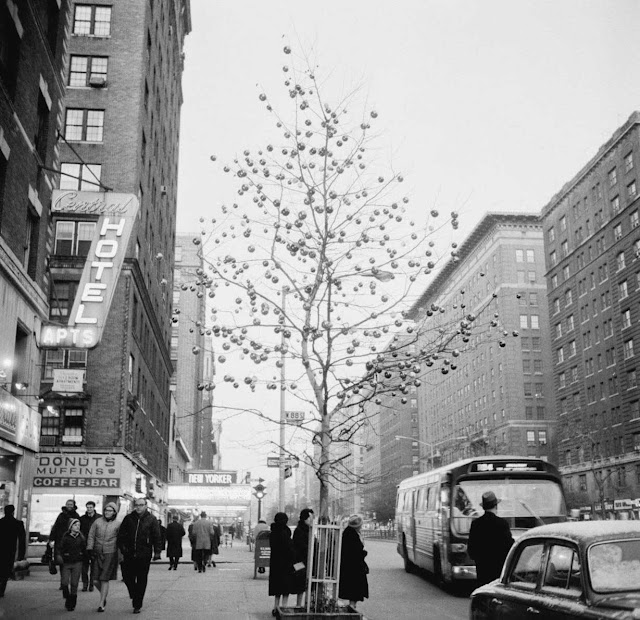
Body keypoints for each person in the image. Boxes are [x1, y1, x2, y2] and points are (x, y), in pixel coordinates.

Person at [117, 498, 162, 614]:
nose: (138, 507)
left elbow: (157, 536)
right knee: (127, 576)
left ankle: (137, 604)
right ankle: (133, 592)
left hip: (144, 554)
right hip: (129, 553)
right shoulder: (128, 518)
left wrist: (157, 552)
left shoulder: (151, 519)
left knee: (141, 579)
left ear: (146, 506)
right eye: (136, 505)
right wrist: (123, 547)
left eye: (141, 505)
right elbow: (121, 534)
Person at [468, 490, 515, 587]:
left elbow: (471, 550)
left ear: (484, 507)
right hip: (499, 568)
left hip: (482, 569)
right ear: (496, 506)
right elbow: (509, 546)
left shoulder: (476, 524)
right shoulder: (502, 523)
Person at [87, 502, 120, 612]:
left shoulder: (117, 524)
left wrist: (120, 555)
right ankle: (104, 595)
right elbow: (91, 535)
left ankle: (101, 603)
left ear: (114, 512)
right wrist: (90, 548)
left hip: (110, 553)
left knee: (104, 578)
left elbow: (120, 540)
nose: (107, 512)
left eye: (110, 511)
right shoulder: (97, 522)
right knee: (96, 580)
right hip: (97, 553)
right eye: (106, 510)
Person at [48, 499, 80, 590]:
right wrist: (51, 539)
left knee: (71, 562)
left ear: (74, 505)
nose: (69, 506)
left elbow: (78, 529)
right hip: (60, 541)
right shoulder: (61, 515)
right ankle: (63, 583)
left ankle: (70, 581)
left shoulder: (76, 516)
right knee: (62, 562)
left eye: (71, 504)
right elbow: (55, 527)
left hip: (72, 542)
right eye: (67, 504)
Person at [338, 514, 369, 609]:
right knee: (354, 589)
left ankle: (352, 605)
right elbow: (356, 551)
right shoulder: (352, 535)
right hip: (354, 567)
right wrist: (364, 553)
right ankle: (352, 607)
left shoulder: (348, 533)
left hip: (350, 566)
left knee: (353, 589)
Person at [269, 512, 294, 615]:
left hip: (275, 563)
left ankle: (275, 607)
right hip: (285, 563)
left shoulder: (273, 532)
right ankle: (283, 607)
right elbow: (289, 548)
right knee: (285, 587)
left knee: (277, 588)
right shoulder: (285, 532)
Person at [59, 518, 86, 611]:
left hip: (77, 562)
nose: (77, 527)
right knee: (64, 582)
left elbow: (84, 549)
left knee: (74, 583)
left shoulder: (81, 537)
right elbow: (60, 548)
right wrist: (62, 556)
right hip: (66, 563)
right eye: (75, 525)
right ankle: (66, 596)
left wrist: (84, 556)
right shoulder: (65, 537)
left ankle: (72, 603)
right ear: (70, 527)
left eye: (78, 525)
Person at [0, 505, 26, 597]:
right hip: (10, 550)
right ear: (13, 512)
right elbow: (22, 540)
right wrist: (21, 554)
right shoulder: (18, 523)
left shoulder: (1, 522)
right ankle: (2, 589)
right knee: (6, 570)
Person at [292, 508, 314, 607]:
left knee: (308, 585)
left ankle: (306, 605)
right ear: (305, 518)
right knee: (300, 585)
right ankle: (299, 605)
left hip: (309, 561)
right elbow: (300, 547)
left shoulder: (309, 530)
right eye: (310, 518)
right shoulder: (300, 530)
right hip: (301, 562)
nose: (312, 520)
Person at [79, 501, 101, 592]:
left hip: (95, 546)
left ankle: (91, 584)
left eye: (90, 507)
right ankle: (85, 584)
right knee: (84, 568)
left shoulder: (99, 518)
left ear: (94, 508)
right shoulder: (82, 518)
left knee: (94, 567)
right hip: (84, 546)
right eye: (87, 507)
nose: (89, 509)